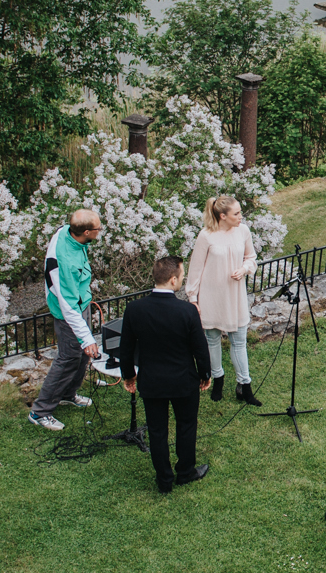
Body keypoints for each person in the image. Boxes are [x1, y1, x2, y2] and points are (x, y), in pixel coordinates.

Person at [118, 255, 213, 493]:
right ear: (173, 280)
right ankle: (185, 472)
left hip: (152, 381)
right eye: (182, 276)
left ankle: (164, 480)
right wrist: (205, 374)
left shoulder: (134, 309)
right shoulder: (187, 311)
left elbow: (126, 349)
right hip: (183, 380)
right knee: (186, 425)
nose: (182, 279)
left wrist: (129, 376)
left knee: (157, 430)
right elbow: (199, 347)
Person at [29, 208, 102, 432]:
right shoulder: (64, 263)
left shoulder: (66, 232)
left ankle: (68, 394)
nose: (101, 231)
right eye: (98, 228)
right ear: (87, 232)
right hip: (69, 313)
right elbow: (68, 307)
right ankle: (40, 412)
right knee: (67, 359)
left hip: (80, 303)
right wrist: (87, 338)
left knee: (81, 357)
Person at [185, 194, 262, 406]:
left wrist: (244, 269)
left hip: (234, 295)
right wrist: (193, 298)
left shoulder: (243, 231)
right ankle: (217, 378)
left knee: (239, 341)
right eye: (236, 213)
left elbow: (251, 257)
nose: (241, 216)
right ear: (222, 216)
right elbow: (195, 269)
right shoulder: (206, 236)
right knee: (212, 340)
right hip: (211, 296)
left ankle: (244, 386)